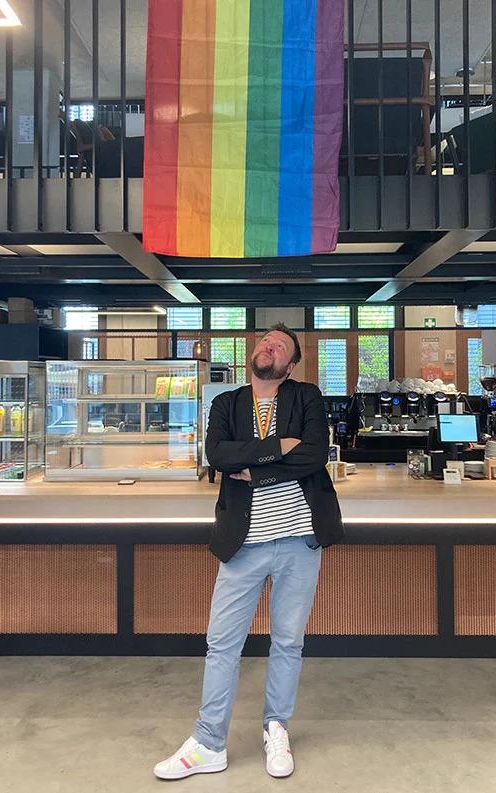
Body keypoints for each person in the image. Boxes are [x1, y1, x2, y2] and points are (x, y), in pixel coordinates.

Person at [154, 323, 344, 781]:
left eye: (279, 345)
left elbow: (314, 454)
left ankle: (276, 727)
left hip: (300, 538)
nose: (268, 346)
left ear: (291, 364)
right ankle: (208, 742)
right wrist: (279, 448)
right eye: (264, 341)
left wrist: (254, 468)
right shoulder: (227, 403)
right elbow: (217, 455)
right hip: (243, 542)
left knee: (288, 641)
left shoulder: (307, 397)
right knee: (222, 643)